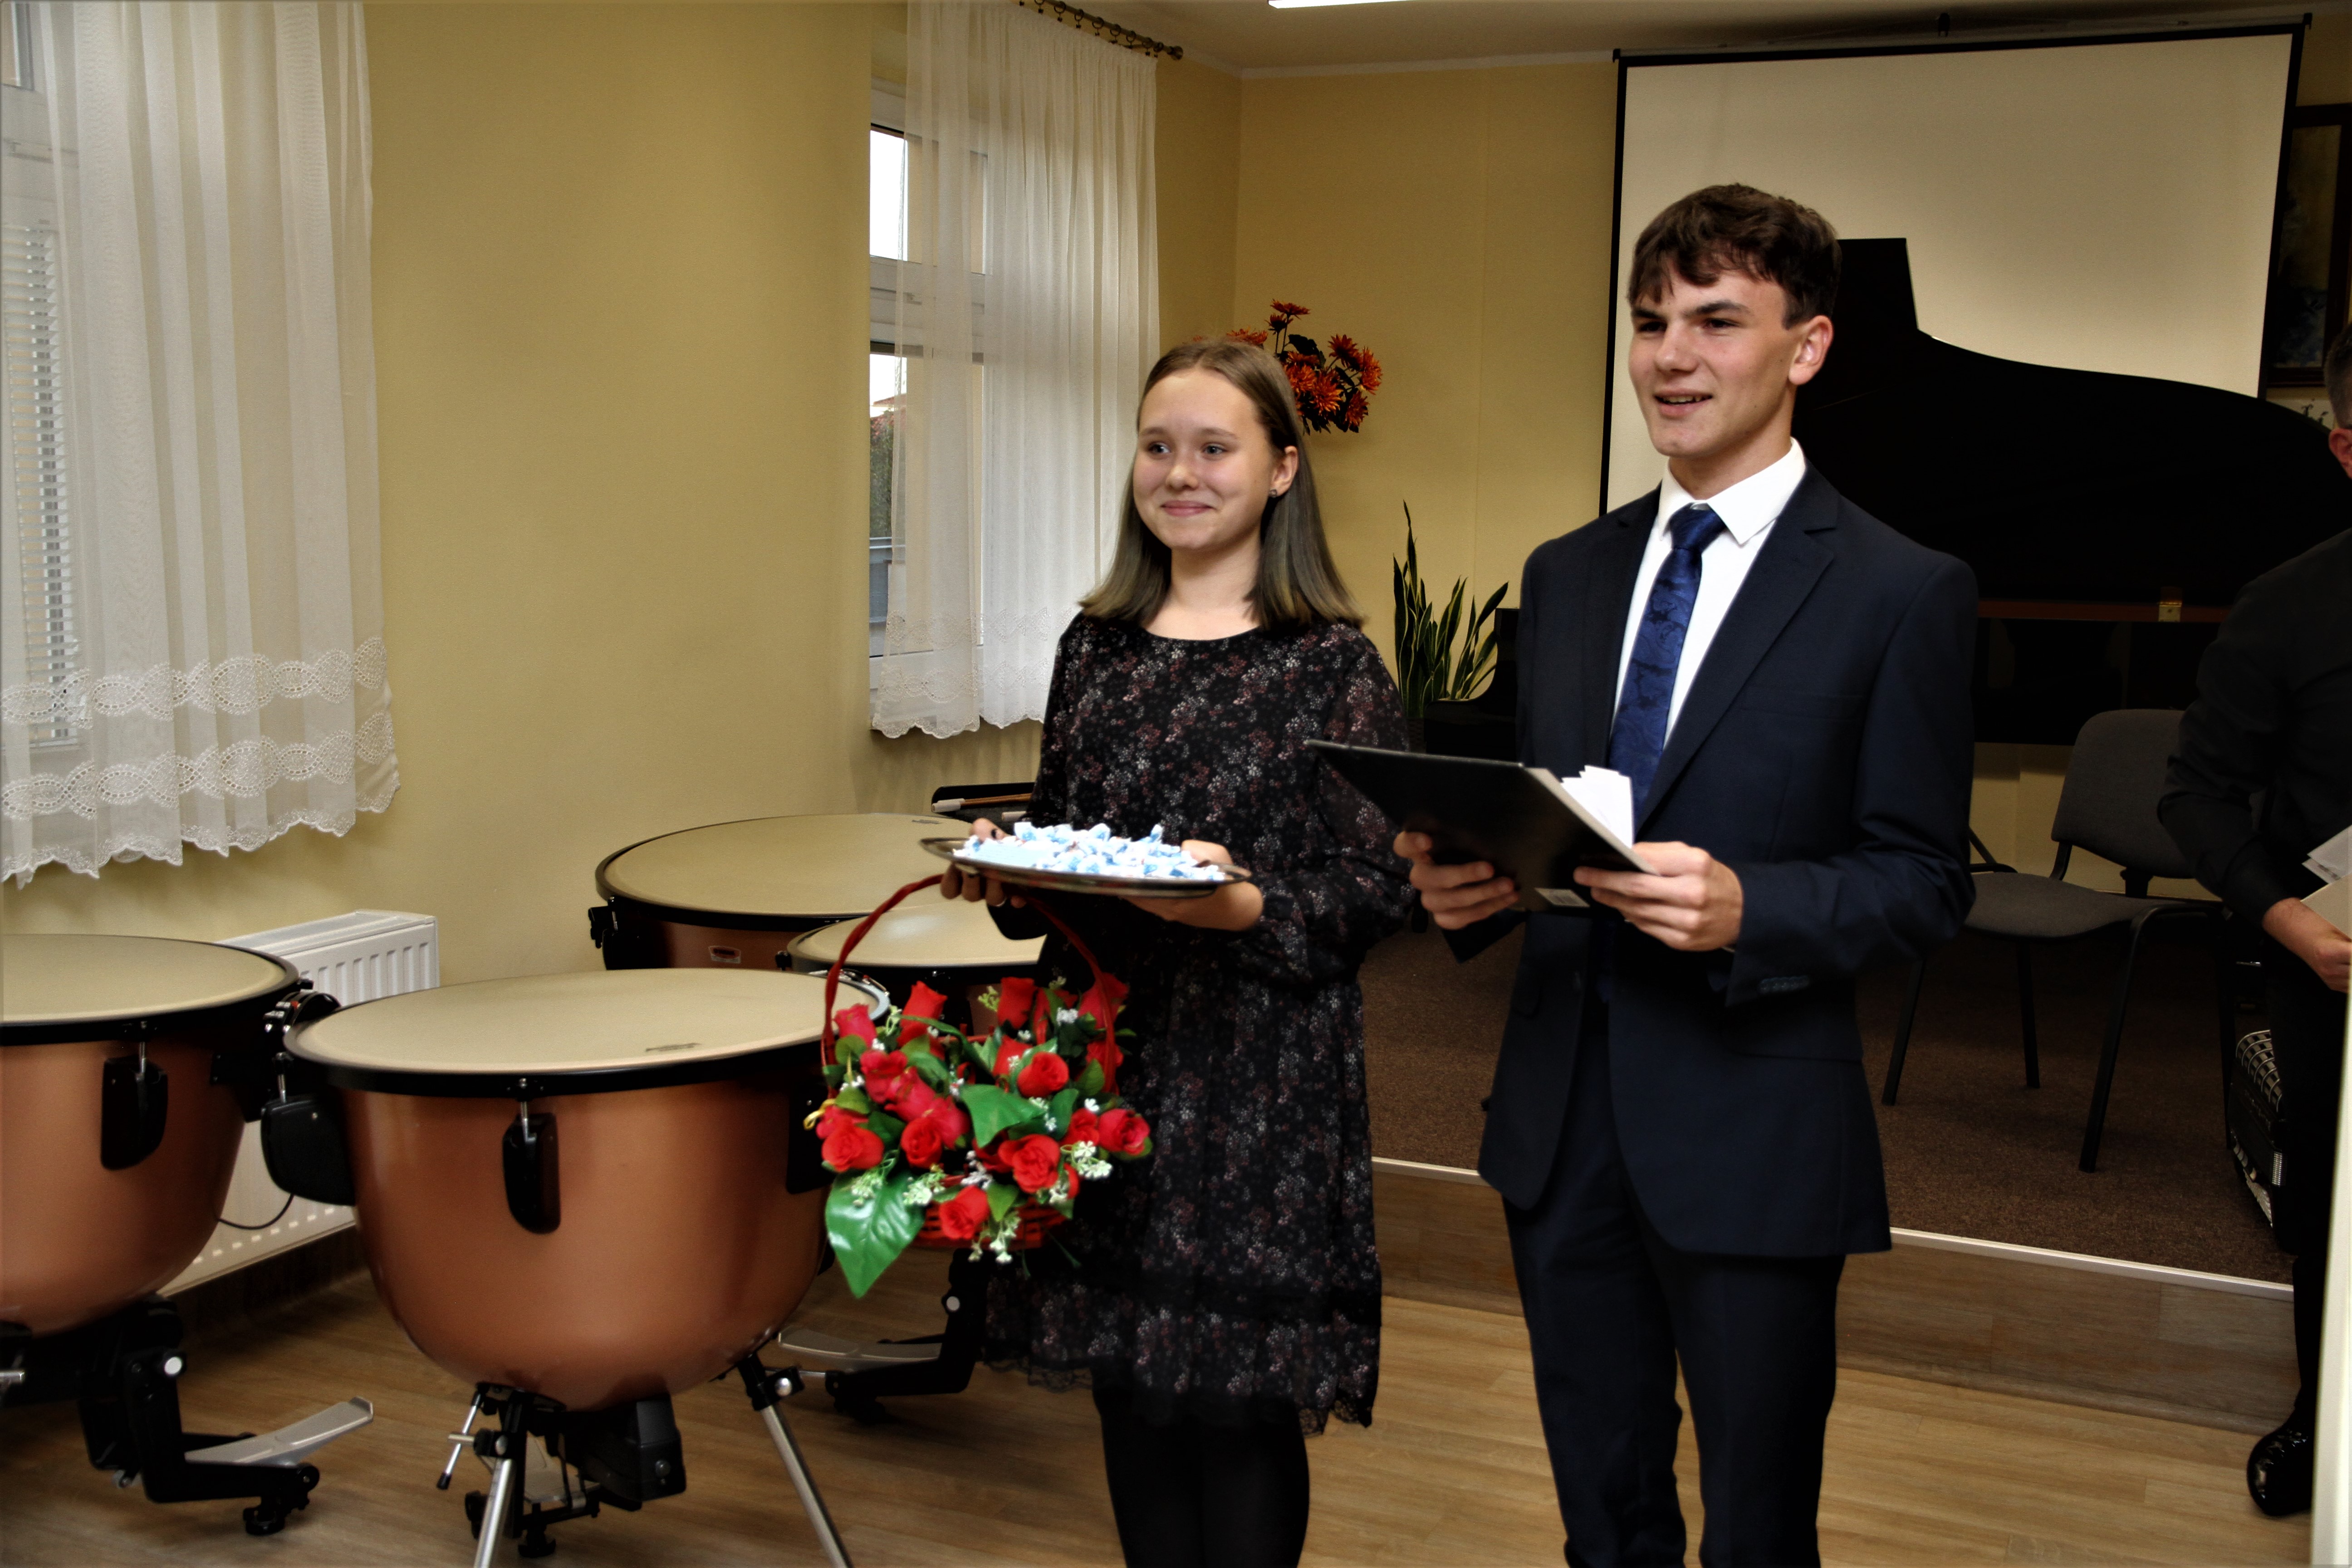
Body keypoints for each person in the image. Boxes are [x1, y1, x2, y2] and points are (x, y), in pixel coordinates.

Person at [1401, 185, 1977, 1566]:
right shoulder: (1566, 572)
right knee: (1601, 1515)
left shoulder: (1902, 590)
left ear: (1808, 346)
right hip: (1559, 1121)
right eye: (1651, 322)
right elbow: (1564, 818)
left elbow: (1924, 881)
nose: (1672, 356)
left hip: (1753, 1126)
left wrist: (1750, 909)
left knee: (1758, 1530)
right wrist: (1476, 888)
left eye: (1717, 321)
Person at [941, 337, 1412, 1568]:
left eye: (1214, 448)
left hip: (1260, 1078)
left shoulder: (1332, 666)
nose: (1180, 473)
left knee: (1237, 1405)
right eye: (1158, 446)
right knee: (1131, 1387)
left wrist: (1242, 905)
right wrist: (1009, 873)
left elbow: (1376, 888)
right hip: (1107, 1061)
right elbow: (1066, 856)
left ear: (1283, 471)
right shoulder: (1093, 648)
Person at [2161, 326, 2352, 1519]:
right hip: (2332, 968)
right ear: (2347, 449)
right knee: (2329, 1207)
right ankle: (2321, 1409)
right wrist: (2293, 927)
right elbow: (2195, 794)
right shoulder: (2288, 609)